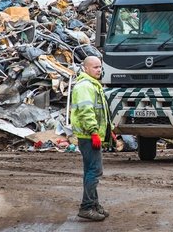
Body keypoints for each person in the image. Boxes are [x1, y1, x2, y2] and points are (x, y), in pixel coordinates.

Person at [71, 55, 113, 221]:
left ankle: (93, 204)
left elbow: (100, 112)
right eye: (95, 67)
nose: (99, 70)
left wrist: (109, 130)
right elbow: (86, 112)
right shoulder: (85, 87)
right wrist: (94, 132)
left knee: (91, 170)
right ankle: (87, 207)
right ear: (86, 68)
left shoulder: (93, 85)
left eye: (100, 67)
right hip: (88, 136)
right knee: (94, 171)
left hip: (91, 135)